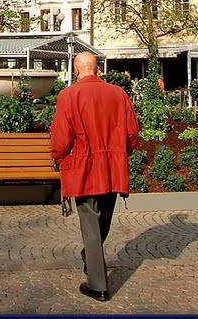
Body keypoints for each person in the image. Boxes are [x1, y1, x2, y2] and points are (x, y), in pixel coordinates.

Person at [50, 51, 140, 303]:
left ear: (77, 70)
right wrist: (122, 152)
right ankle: (92, 259)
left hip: (84, 166)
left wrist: (57, 155)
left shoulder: (69, 95)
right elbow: (132, 132)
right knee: (103, 219)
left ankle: (98, 284)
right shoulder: (118, 94)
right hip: (112, 165)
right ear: (97, 69)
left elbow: (61, 136)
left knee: (90, 222)